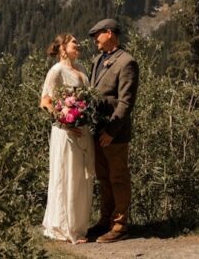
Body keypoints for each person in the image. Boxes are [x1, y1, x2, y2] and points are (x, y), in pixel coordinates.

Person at [87, 18, 139, 243]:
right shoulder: (98, 59)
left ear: (109, 33)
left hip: (114, 134)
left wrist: (111, 130)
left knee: (118, 178)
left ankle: (120, 225)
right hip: (96, 130)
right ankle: (104, 221)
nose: (94, 40)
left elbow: (125, 102)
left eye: (97, 35)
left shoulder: (127, 62)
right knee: (103, 178)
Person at [39, 34, 94, 244]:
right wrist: (65, 121)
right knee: (67, 174)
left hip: (83, 129)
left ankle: (80, 226)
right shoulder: (56, 71)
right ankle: (64, 227)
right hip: (66, 131)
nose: (78, 46)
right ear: (63, 48)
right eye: (74, 43)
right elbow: (45, 102)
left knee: (82, 176)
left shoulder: (81, 69)